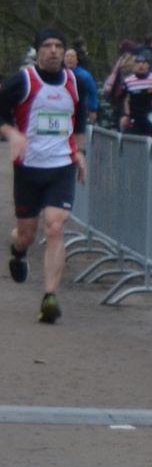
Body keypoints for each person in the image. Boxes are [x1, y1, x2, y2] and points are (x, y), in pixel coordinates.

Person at [2, 29, 97, 324]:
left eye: (59, 46)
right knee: (27, 234)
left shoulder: (75, 82)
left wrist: (80, 152)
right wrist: (12, 133)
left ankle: (50, 297)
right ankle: (17, 251)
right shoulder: (23, 81)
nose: (54, 51)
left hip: (61, 167)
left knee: (55, 227)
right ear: (38, 51)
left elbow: (78, 120)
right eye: (48, 46)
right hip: (29, 168)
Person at [113, 56, 152, 136]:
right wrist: (125, 115)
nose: (141, 66)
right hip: (134, 117)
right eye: (138, 63)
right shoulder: (128, 81)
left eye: (143, 63)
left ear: (148, 65)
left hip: (150, 117)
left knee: (149, 139)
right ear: (134, 66)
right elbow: (121, 99)